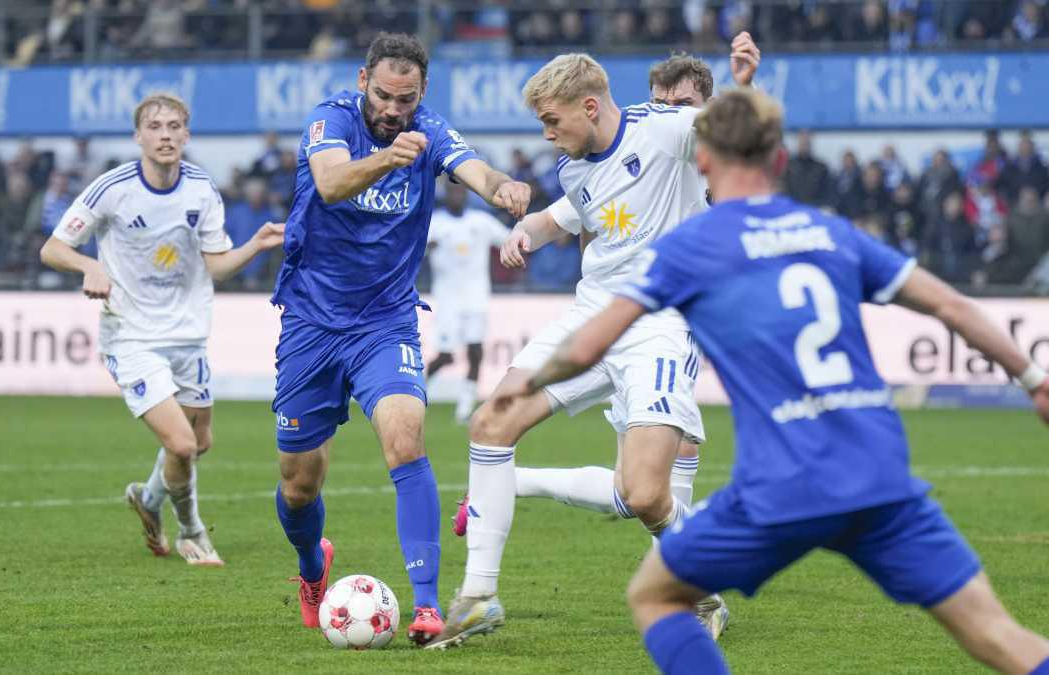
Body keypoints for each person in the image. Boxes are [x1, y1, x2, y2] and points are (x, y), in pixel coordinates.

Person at [487, 88, 1049, 675]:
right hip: (881, 477)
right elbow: (952, 307)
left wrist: (528, 384)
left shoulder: (693, 246)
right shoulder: (831, 232)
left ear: (701, 163)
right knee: (997, 635)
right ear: (780, 162)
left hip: (781, 486)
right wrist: (1034, 379)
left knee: (655, 595)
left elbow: (588, 343)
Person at [437, 37, 761, 647]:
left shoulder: (665, 131)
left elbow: (735, 128)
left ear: (589, 107)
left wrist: (740, 82)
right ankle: (478, 597)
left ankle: (705, 588)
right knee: (491, 423)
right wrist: (527, 231)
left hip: (659, 327)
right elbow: (566, 218)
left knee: (642, 494)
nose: (546, 134)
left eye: (551, 120)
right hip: (591, 317)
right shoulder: (575, 165)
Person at [269, 32, 530, 645]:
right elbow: (331, 184)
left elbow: (477, 171)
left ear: (422, 93)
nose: (393, 109)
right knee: (298, 484)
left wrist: (503, 189)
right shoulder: (329, 120)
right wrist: (391, 157)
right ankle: (313, 567)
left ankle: (426, 606)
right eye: (384, 95)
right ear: (364, 82)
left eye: (406, 99)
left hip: (386, 322)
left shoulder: (431, 130)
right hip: (311, 322)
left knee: (405, 440)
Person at [40, 92, 284, 568]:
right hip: (130, 335)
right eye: (155, 126)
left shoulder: (201, 189)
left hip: (188, 335)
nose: (165, 134)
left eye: (175, 126)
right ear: (139, 137)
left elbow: (217, 268)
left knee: (201, 441)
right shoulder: (112, 188)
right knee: (182, 444)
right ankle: (193, 532)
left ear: (187, 135)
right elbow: (52, 248)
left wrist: (255, 244)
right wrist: (88, 264)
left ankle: (149, 501)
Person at [425, 179, 512, 425]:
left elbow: (508, 239)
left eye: (461, 191)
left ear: (466, 194)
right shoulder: (435, 223)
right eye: (453, 191)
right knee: (445, 356)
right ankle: (418, 394)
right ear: (446, 194)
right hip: (447, 298)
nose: (457, 195)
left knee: (475, 351)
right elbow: (413, 249)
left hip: (476, 297)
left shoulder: (481, 222)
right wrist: (426, 247)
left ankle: (464, 408)